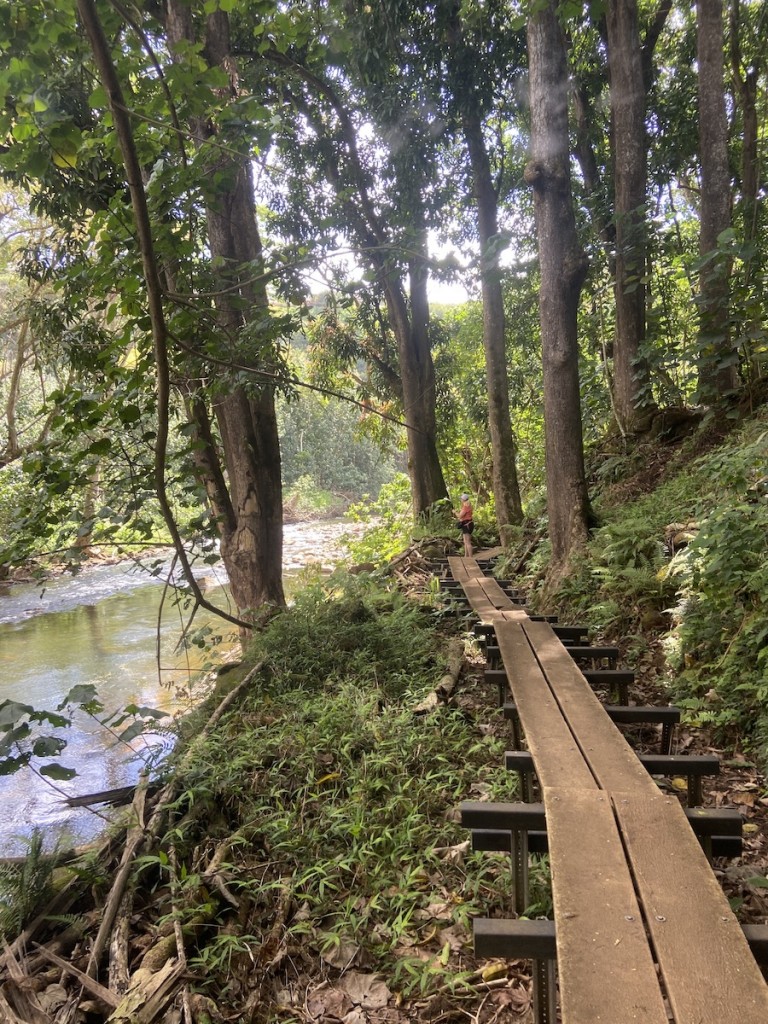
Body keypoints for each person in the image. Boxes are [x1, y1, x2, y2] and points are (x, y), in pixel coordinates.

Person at [457, 493, 474, 557]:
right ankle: (466, 555)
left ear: (463, 500)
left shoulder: (466, 507)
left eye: (461, 499)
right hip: (468, 524)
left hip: (467, 525)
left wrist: (455, 512)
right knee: (465, 541)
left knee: (467, 542)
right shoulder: (469, 506)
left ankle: (470, 557)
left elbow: (460, 516)